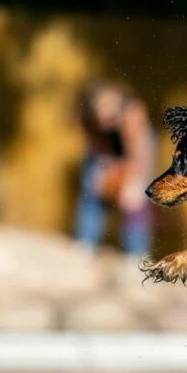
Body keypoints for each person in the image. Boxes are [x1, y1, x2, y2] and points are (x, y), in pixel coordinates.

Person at [74, 80, 157, 255]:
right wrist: (105, 172)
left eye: (110, 118)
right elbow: (96, 145)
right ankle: (85, 243)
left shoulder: (134, 115)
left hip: (136, 152)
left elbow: (140, 154)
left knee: (137, 197)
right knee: (91, 183)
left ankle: (137, 254)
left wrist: (134, 180)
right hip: (108, 152)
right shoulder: (87, 116)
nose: (104, 121)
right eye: (100, 117)